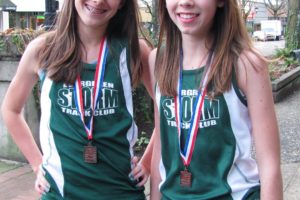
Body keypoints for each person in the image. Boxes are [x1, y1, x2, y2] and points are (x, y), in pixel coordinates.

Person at [1, 0, 153, 199]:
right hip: (60, 192)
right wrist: (37, 164)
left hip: (120, 190)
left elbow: (167, 108)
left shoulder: (133, 50)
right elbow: (10, 109)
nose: (98, 1)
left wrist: (148, 162)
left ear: (123, 3)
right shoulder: (43, 50)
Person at [147, 0, 283, 199]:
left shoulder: (246, 65)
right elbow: (161, 144)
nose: (185, 2)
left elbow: (269, 165)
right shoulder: (157, 60)